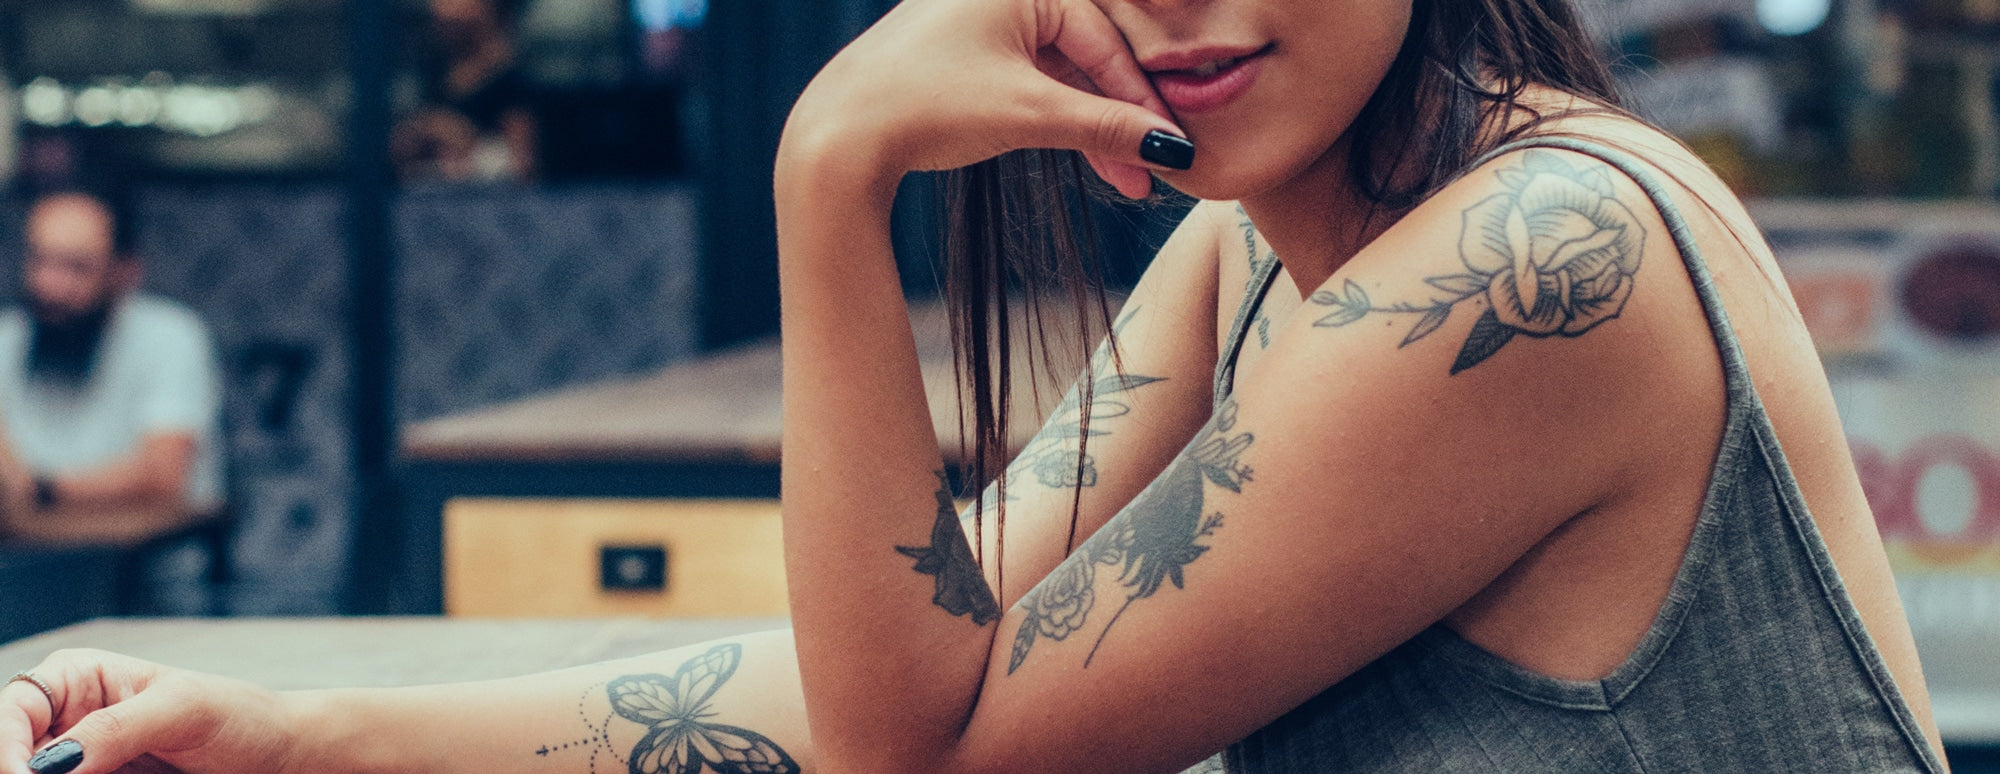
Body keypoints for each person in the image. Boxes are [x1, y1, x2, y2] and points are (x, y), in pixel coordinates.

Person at [0, 0, 1951, 772]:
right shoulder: (1239, 256)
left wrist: (831, 166)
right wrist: (289, 733)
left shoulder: (1547, 263)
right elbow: (902, 665)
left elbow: (916, 760)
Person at [0, 191, 223, 529]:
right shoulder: (8, 339)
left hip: (151, 571)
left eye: (76, 267)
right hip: (31, 566)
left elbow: (162, 477)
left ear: (126, 271)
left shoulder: (168, 336)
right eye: (39, 260)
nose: (50, 285)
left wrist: (39, 488)